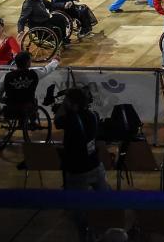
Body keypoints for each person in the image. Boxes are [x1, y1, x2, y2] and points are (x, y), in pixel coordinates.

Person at [56, 86, 109, 240]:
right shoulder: (93, 115)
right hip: (95, 165)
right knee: (106, 200)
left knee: (78, 210)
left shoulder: (70, 119)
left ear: (71, 103)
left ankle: (85, 233)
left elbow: (57, 121)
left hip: (77, 170)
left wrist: (64, 105)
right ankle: (102, 229)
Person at [0, 51, 59, 116]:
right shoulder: (34, 74)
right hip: (28, 107)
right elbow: (46, 70)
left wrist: (6, 101)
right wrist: (55, 61)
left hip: (11, 107)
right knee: (33, 102)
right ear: (28, 63)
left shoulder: (6, 76)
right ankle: (33, 122)